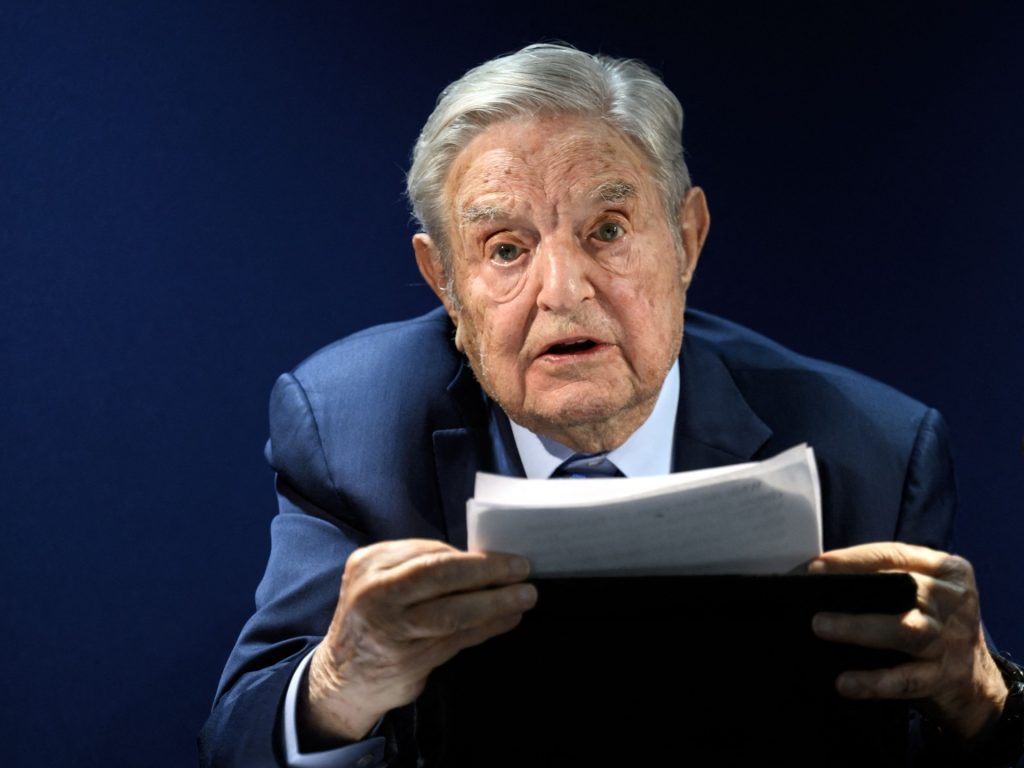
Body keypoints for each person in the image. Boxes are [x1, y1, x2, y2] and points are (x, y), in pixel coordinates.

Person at [200, 44, 1023, 767]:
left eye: (608, 231)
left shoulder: (873, 451)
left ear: (687, 241)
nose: (564, 291)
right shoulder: (350, 429)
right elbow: (235, 743)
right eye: (507, 250)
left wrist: (981, 700)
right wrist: (341, 684)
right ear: (444, 282)